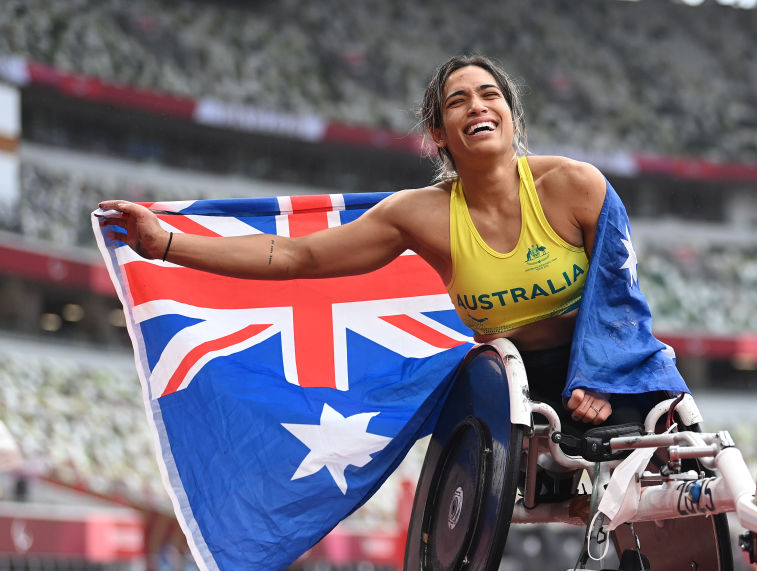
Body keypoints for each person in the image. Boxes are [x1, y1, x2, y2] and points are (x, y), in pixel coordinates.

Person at [100, 54, 673, 438]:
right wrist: (168, 243)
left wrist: (599, 377)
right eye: (458, 101)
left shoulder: (575, 185)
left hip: (603, 364)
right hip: (514, 384)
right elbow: (297, 257)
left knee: (667, 432)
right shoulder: (418, 216)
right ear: (439, 135)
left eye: (489, 94)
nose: (477, 106)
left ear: (510, 115)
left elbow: (620, 296)